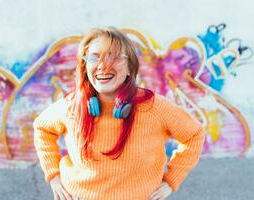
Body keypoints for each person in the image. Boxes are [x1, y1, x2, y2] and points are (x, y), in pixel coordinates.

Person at [33, 27, 205, 200]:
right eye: (94, 57)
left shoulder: (154, 108)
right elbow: (42, 128)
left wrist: (170, 181)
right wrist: (53, 176)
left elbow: (194, 135)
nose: (103, 66)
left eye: (114, 57)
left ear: (130, 68)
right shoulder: (71, 106)